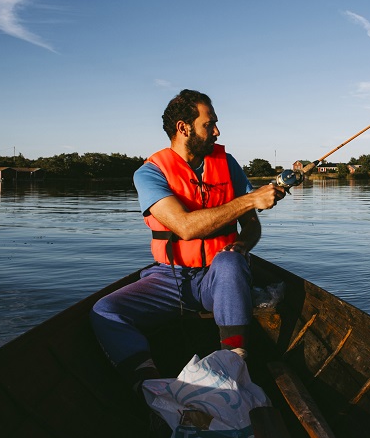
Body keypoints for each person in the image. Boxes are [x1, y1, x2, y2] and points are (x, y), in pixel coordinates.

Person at [90, 89, 285, 395]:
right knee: (104, 311)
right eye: (210, 124)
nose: (217, 131)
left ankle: (235, 364)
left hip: (219, 279)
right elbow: (184, 227)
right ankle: (150, 387)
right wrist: (249, 199)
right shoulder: (149, 173)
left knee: (231, 261)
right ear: (184, 128)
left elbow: (251, 226)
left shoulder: (228, 163)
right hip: (169, 278)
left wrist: (243, 245)